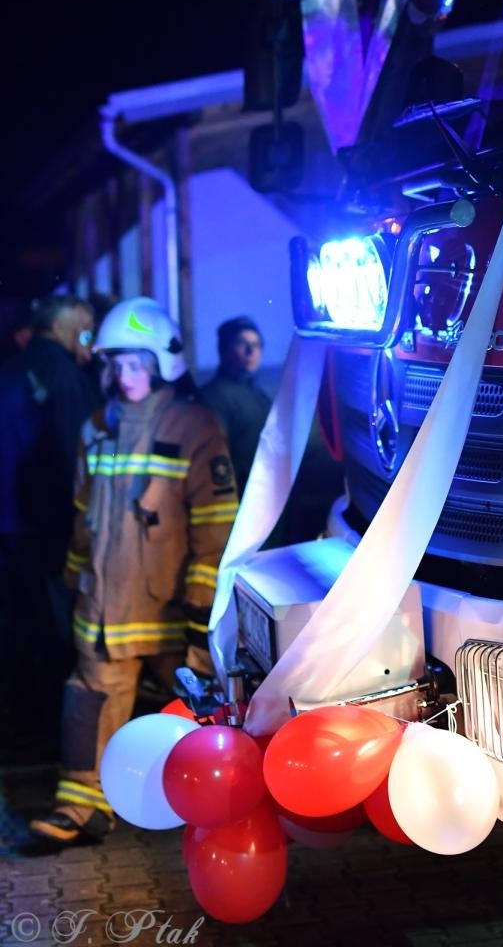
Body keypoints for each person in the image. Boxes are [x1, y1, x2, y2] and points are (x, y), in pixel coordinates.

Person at [29, 297, 238, 846]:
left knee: (199, 707)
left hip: (173, 606)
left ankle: (222, 801)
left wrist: (203, 601)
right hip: (104, 608)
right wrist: (78, 583)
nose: (126, 377)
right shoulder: (95, 429)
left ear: (162, 363)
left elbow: (218, 523)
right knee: (90, 700)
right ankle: (81, 807)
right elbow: (83, 518)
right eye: (117, 365)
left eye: (136, 365)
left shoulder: (194, 427)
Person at [0, 294, 97, 762]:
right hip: (45, 530)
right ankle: (55, 739)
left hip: (11, 527)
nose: (90, 342)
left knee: (18, 629)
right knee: (56, 635)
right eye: (85, 330)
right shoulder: (61, 375)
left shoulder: (15, 369)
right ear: (63, 327)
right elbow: (72, 459)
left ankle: (20, 727)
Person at [199, 316, 271, 497]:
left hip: (266, 498)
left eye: (257, 345)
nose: (251, 351)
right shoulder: (212, 397)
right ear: (224, 350)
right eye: (242, 344)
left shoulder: (261, 397)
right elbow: (213, 458)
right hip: (238, 501)